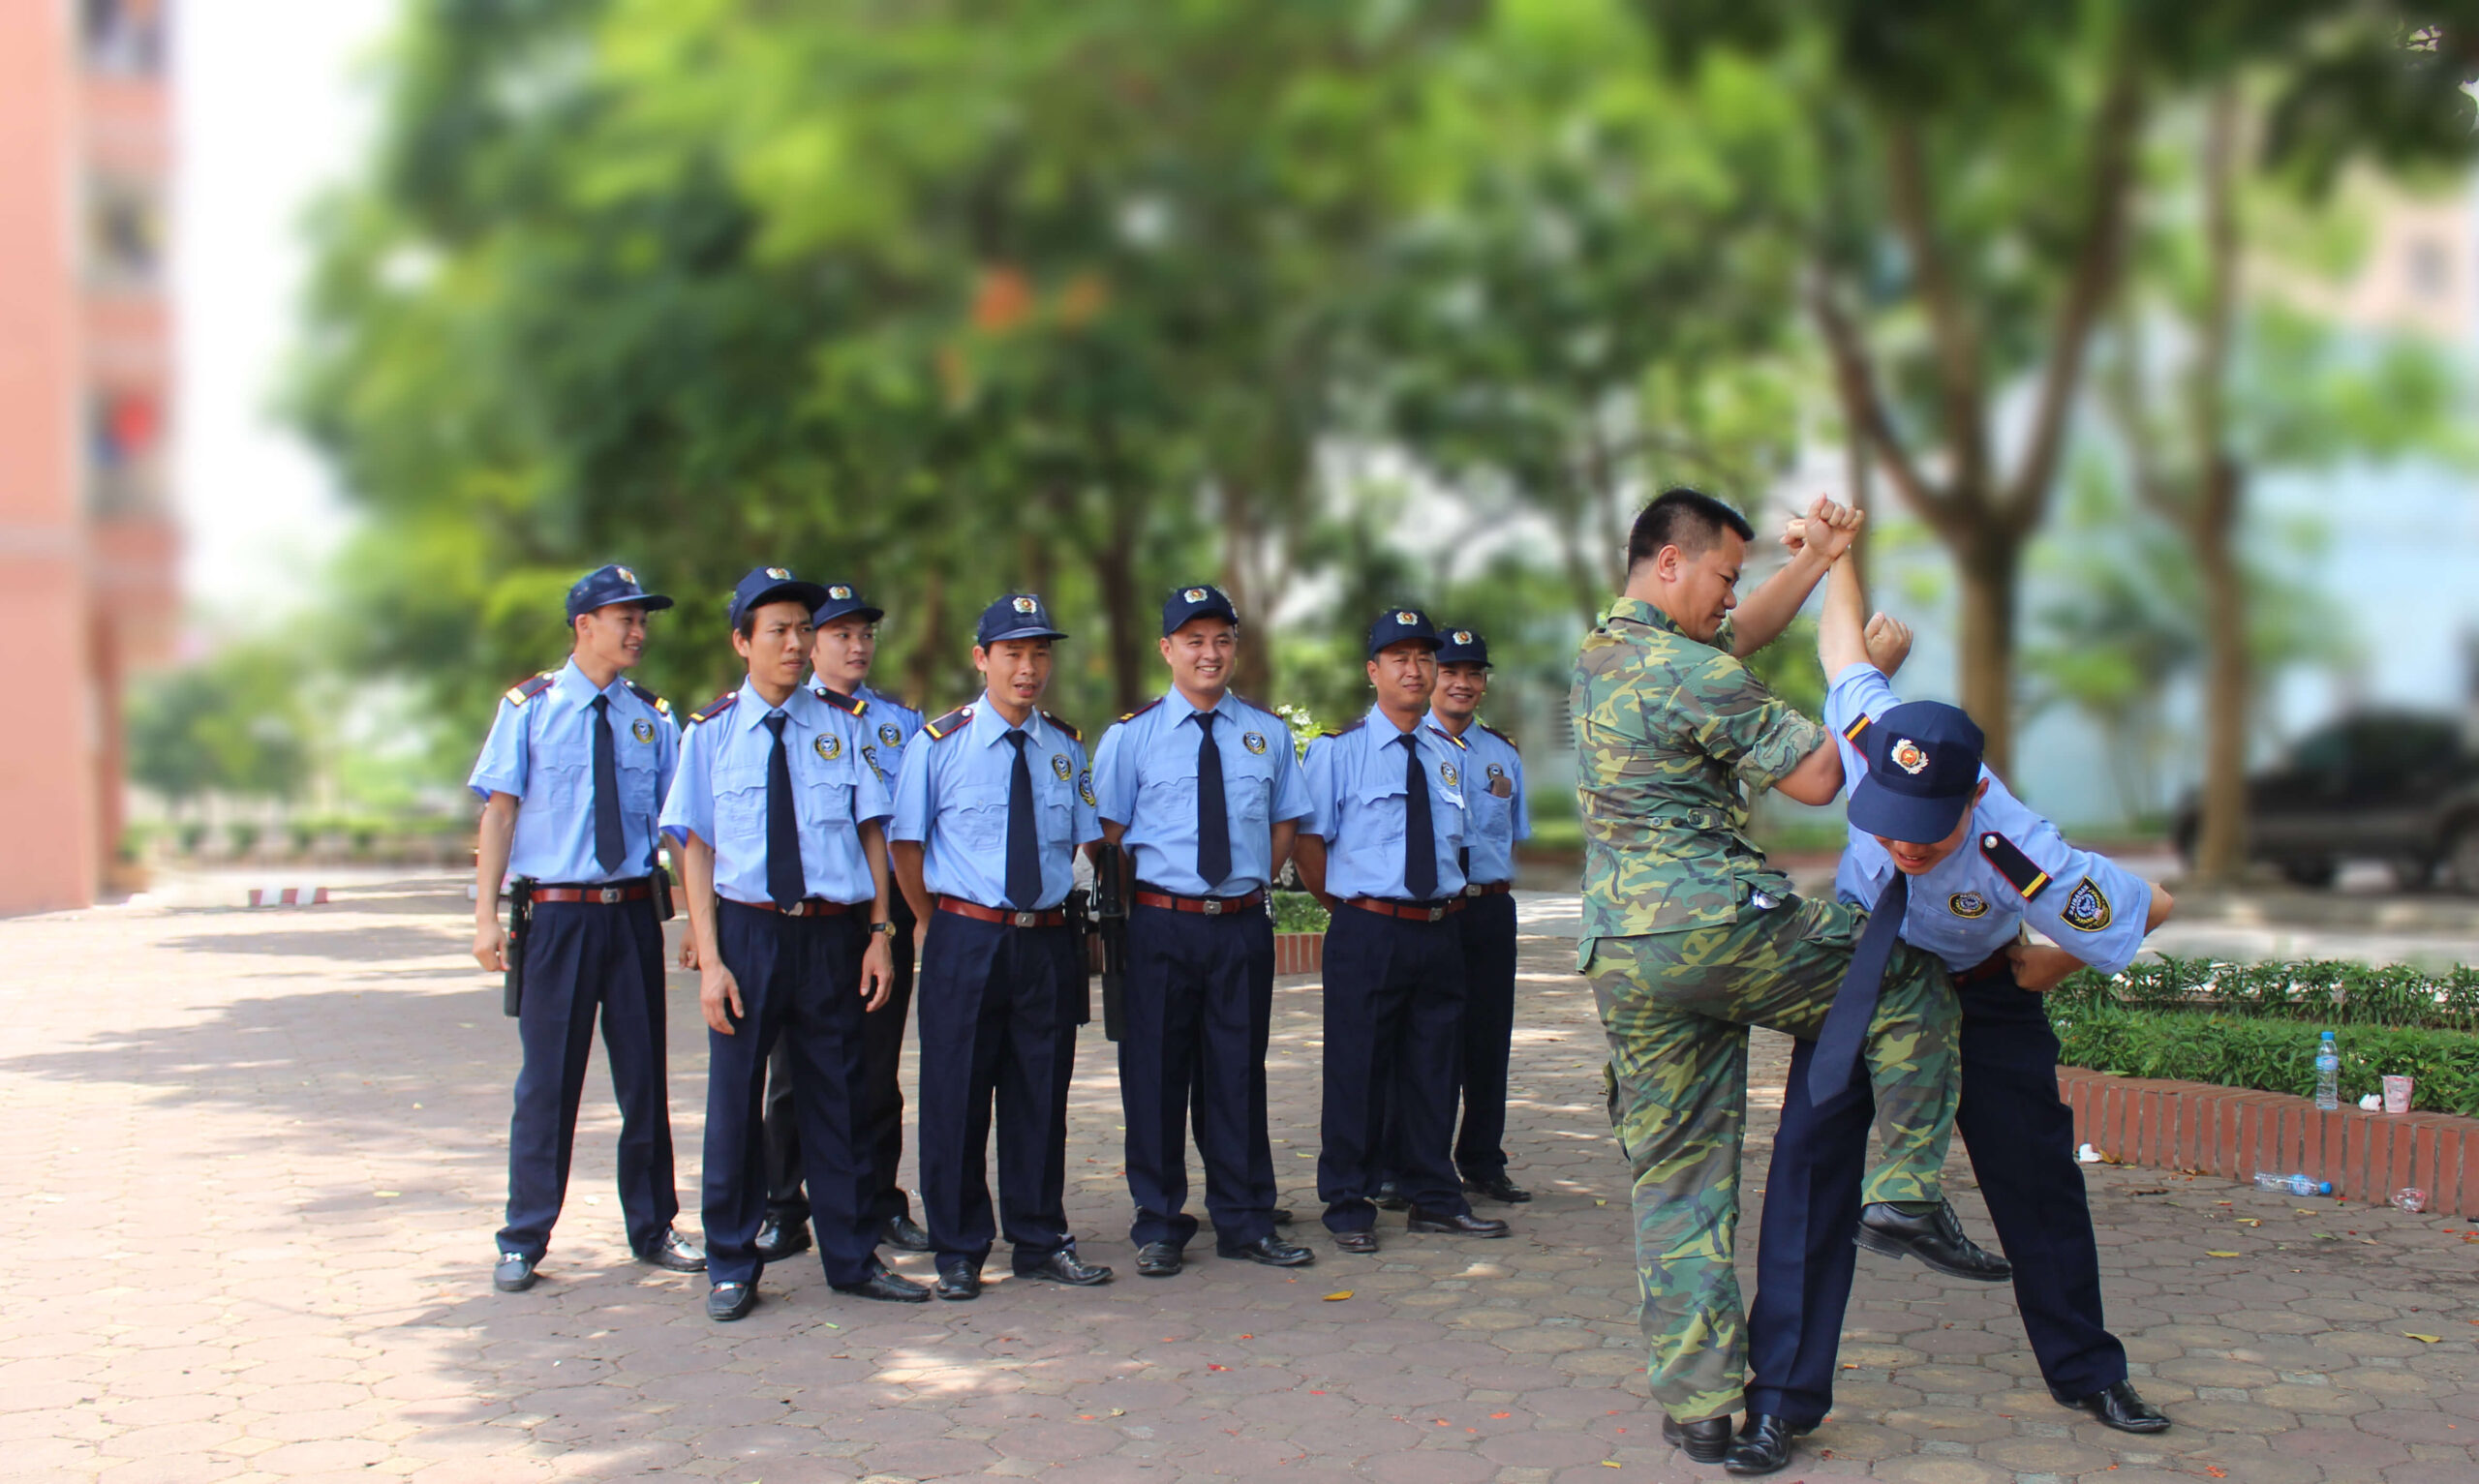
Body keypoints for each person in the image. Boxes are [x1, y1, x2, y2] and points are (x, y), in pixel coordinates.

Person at [1729, 558, 2176, 1474]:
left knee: (2037, 1182)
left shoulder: (2025, 854)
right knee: (1808, 1179)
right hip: (1861, 984)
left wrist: (2045, 962)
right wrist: (1838, 554)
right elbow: (1842, 646)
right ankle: (1779, 1403)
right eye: (1886, 821)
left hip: (1978, 999)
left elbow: (2149, 905)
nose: (1899, 841)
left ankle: (2089, 1371)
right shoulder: (1867, 735)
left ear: (1972, 798)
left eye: (1923, 833)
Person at [1573, 488, 1973, 1464]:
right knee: (1905, 977)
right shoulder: (1690, 670)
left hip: (1624, 953)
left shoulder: (1603, 657)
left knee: (1677, 1179)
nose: (1729, 598)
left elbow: (1732, 634)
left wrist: (1822, 559)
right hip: (1713, 924)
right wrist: (1867, 675)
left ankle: (1700, 1405)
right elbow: (1821, 778)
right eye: (1721, 575)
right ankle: (1903, 1189)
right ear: (1669, 563)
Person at [659, 566, 929, 1321]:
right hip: (749, 932)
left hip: (832, 935)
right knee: (737, 1099)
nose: (794, 642)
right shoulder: (709, 734)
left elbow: (874, 833)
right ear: (742, 641)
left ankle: (851, 1255)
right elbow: (697, 851)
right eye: (777, 629)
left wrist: (880, 932)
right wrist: (710, 960)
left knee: (837, 1096)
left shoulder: (843, 728)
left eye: (803, 629)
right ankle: (731, 1260)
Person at [471, 563, 705, 1294]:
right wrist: (484, 915)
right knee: (548, 1081)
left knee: (643, 1077)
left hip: (633, 914)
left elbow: (681, 827)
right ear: (584, 626)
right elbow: (500, 812)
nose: (638, 632)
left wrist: (700, 920)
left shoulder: (653, 716)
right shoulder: (531, 708)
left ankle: (654, 1225)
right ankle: (524, 1235)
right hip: (559, 917)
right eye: (624, 618)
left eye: (643, 620)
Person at [889, 592, 1112, 1300]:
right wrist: (932, 919)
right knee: (955, 1094)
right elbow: (905, 844)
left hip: (1046, 942)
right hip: (967, 936)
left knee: (1040, 1094)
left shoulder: (1065, 747)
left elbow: (1085, 840)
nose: (1028, 667)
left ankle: (1040, 1237)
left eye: (1040, 652)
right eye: (1013, 652)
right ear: (980, 658)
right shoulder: (938, 743)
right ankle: (958, 1246)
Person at [1090, 585, 1317, 1278]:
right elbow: (1110, 837)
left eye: (1221, 639)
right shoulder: (1131, 737)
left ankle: (1245, 1218)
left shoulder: (1266, 733)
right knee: (1154, 1076)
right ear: (1167, 649)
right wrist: (1159, 902)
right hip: (1163, 925)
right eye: (1194, 640)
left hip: (1241, 927)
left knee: (1237, 1073)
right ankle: (1158, 1222)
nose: (1209, 653)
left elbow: (1285, 821)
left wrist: (1247, 882)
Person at [1293, 607, 1509, 1255]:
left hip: (1439, 927)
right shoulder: (1339, 750)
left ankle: (1433, 1195)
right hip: (1369, 927)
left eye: (1424, 659)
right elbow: (1309, 843)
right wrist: (1348, 907)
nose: (1415, 670)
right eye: (1399, 658)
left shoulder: (1450, 754)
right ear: (1373, 670)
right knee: (1357, 1067)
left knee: (1434, 1067)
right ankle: (1348, 1201)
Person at [753, 582, 933, 1263]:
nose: (857, 647)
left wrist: (909, 919)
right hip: (812, 906)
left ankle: (879, 1200)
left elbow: (911, 823)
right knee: (795, 1069)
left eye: (866, 635)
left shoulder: (901, 723)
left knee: (877, 1064)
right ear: (810, 642)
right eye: (841, 635)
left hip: (880, 911)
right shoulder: (785, 715)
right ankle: (783, 1203)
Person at [1427, 626, 1532, 1204]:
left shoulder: (1504, 754)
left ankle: (1484, 1160)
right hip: (1433, 913)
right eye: (1451, 672)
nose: (1463, 683)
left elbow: (1514, 835)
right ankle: (1418, 1161)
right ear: (1430, 675)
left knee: (1489, 1041)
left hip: (1490, 911)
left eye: (1474, 673)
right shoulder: (1411, 746)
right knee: (1427, 1042)